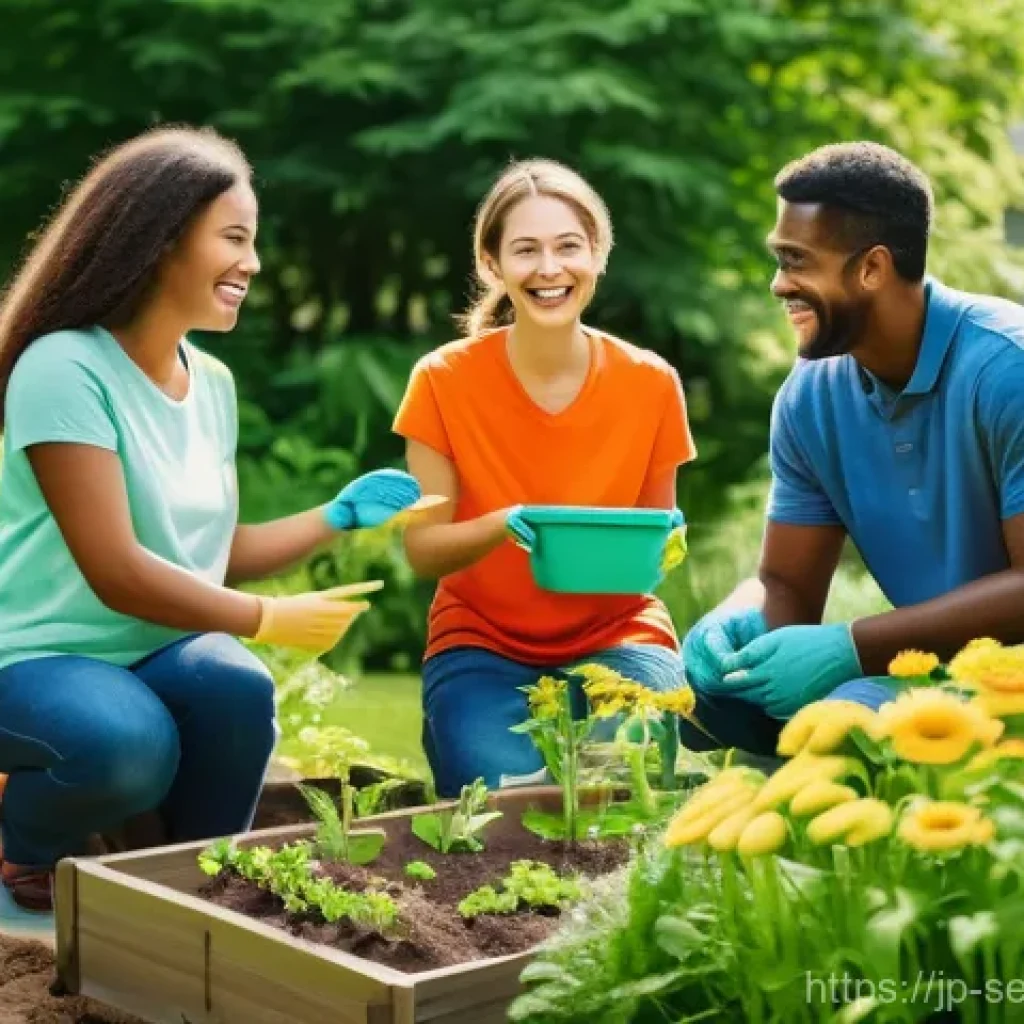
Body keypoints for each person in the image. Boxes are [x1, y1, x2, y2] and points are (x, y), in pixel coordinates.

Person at [0, 127, 424, 912]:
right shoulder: (64, 367)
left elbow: (211, 552)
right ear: (161, 239)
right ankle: (24, 842)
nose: (253, 263)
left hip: (151, 652)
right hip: (34, 656)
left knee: (235, 687)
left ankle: (198, 882)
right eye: (234, 238)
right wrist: (265, 617)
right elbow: (116, 569)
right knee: (125, 742)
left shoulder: (214, 383)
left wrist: (336, 515)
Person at [679, 141, 1024, 755]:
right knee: (715, 705)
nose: (778, 285)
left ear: (872, 268)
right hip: (931, 674)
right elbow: (787, 581)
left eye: (797, 262)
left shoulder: (1006, 369)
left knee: (844, 724)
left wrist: (854, 647)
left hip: (1006, 682)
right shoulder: (810, 396)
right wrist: (738, 618)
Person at [393, 158, 696, 797]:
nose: (549, 268)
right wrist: (504, 524)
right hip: (481, 643)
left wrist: (658, 540)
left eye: (568, 247)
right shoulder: (442, 380)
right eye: (526, 250)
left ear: (598, 255)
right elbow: (422, 550)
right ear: (492, 265)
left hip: (619, 635)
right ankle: (462, 734)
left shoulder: (651, 383)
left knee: (622, 784)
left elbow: (651, 557)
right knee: (498, 797)